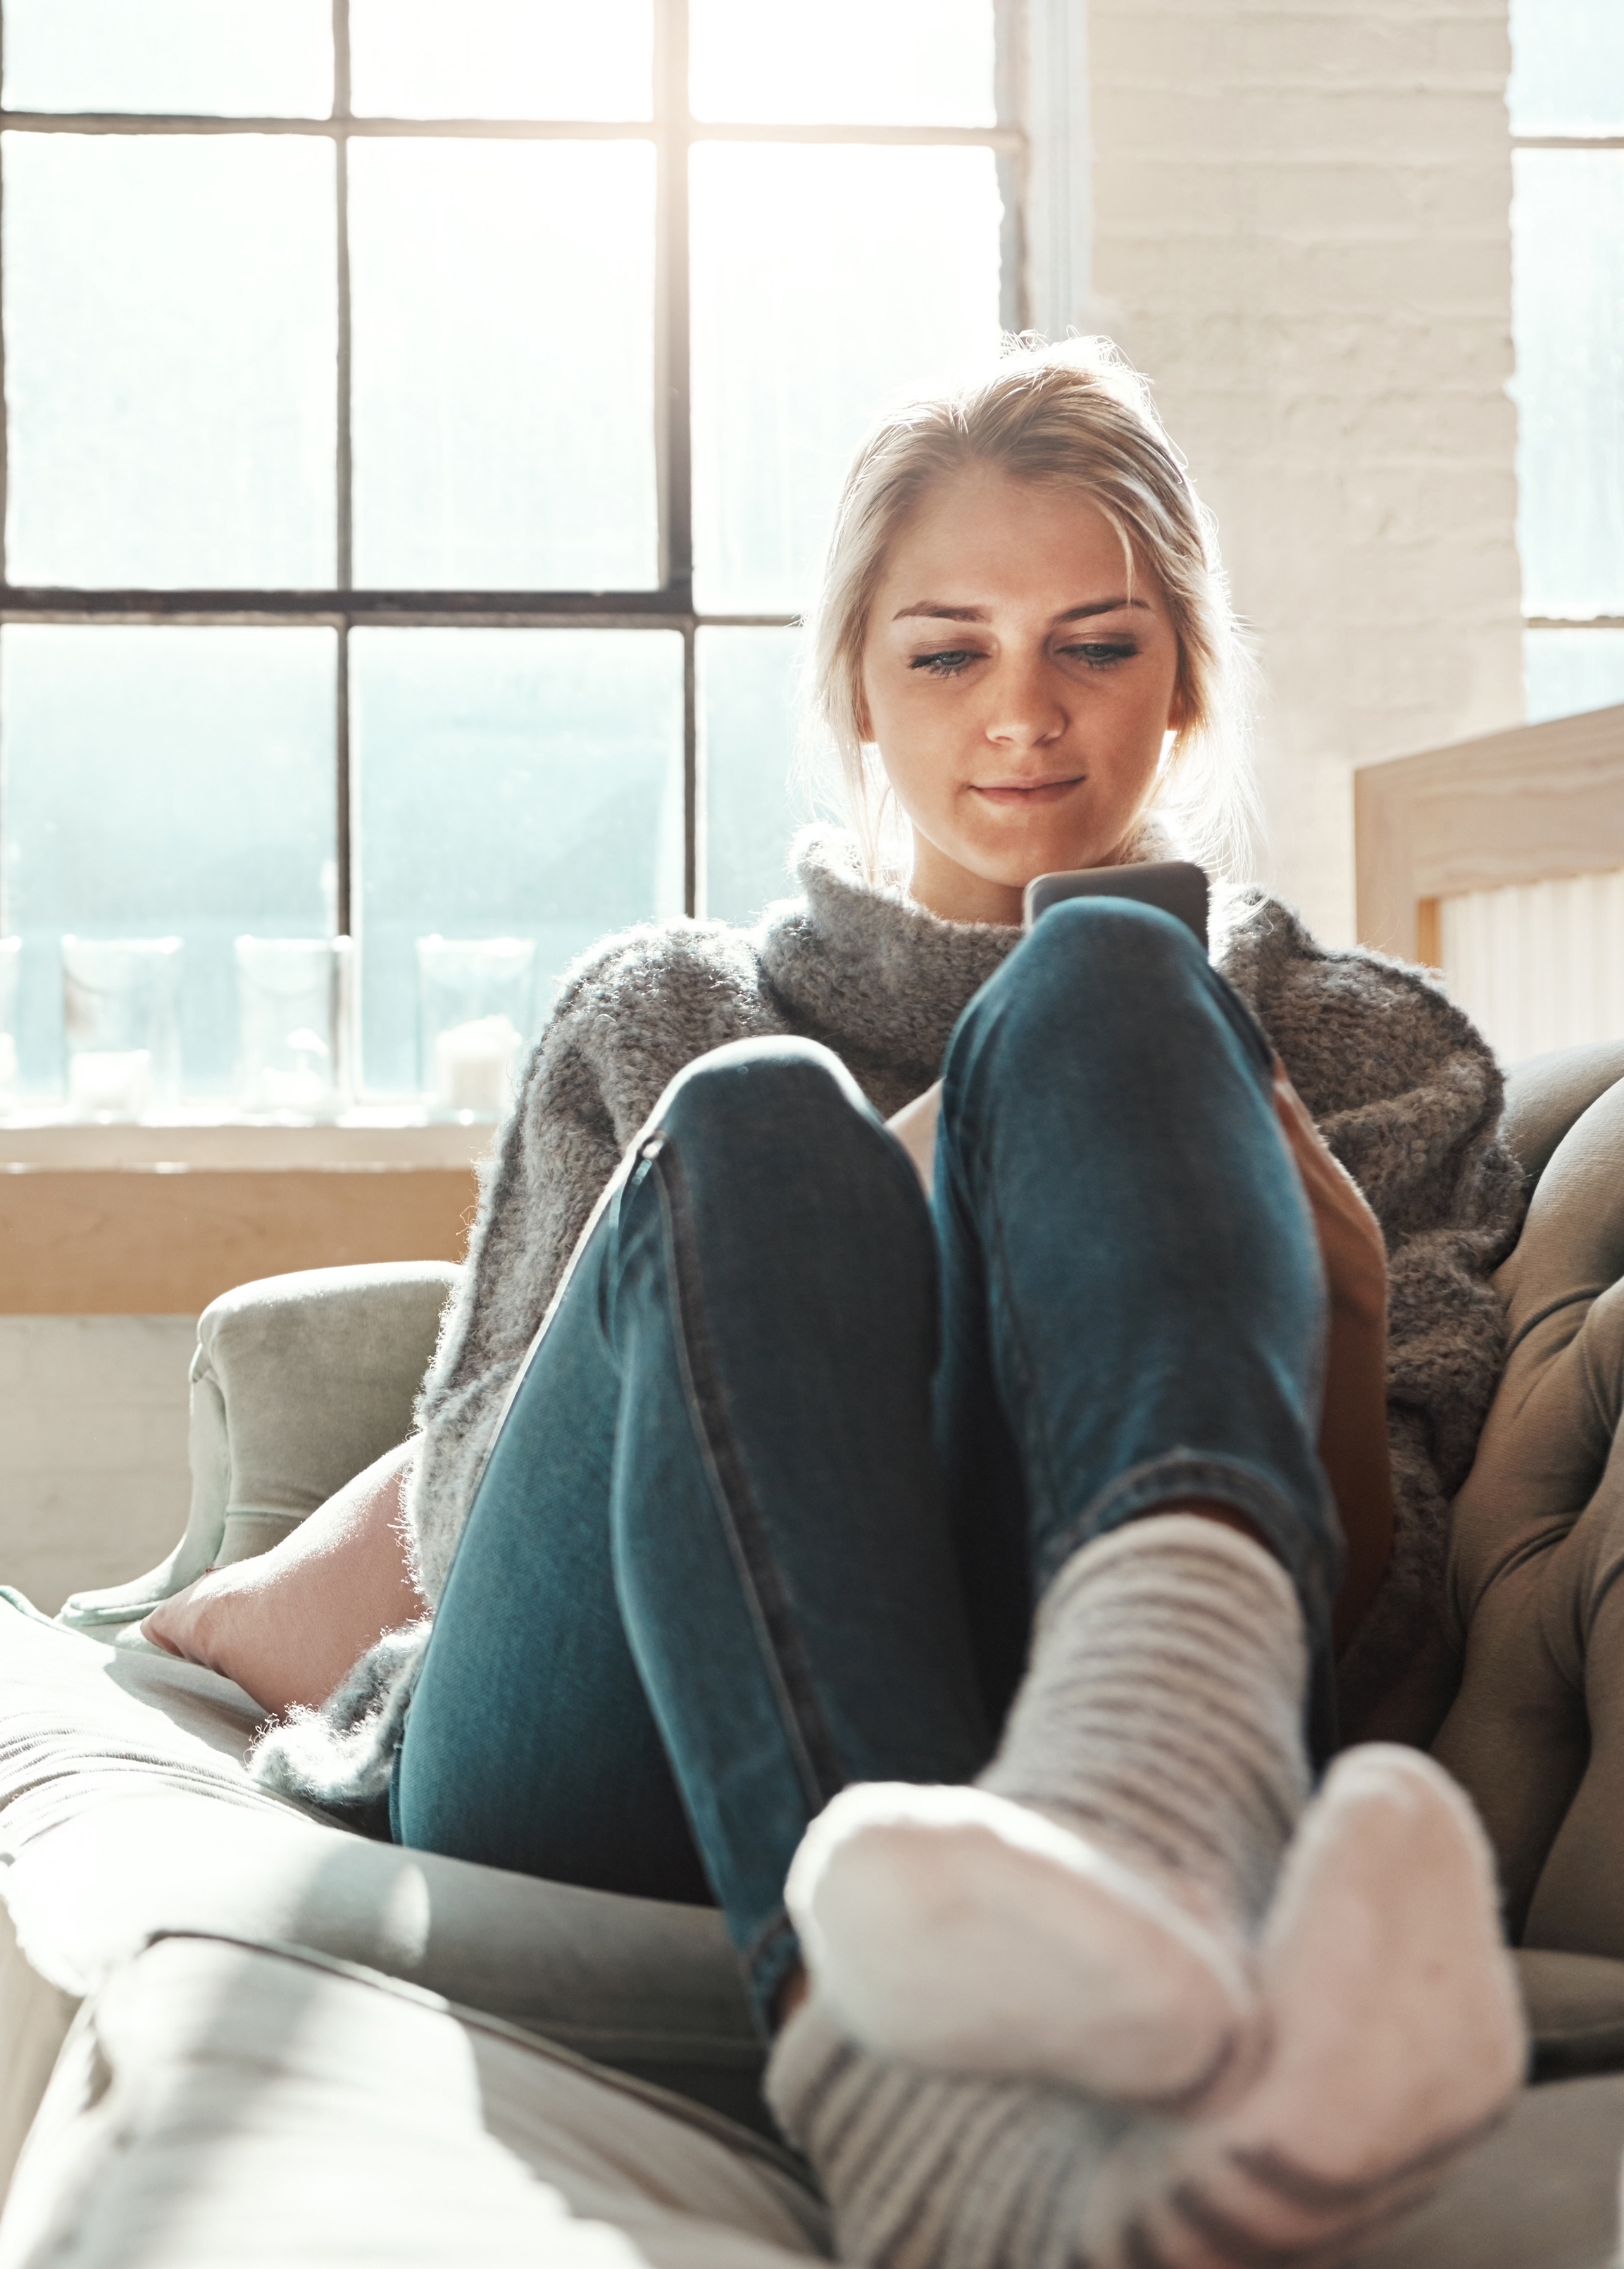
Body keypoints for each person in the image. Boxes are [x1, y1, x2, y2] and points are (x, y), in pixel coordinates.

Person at [253, 337, 1530, 2268]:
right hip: (594, 1744)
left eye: (1092, 644)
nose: (1022, 713)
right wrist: (916, 1187)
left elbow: (1381, 1628)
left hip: (1091, 1716)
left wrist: (1333, 1311)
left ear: (1180, 667)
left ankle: (1090, 1891)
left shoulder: (1359, 1052)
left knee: (1109, 977)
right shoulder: (663, 1008)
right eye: (947, 650)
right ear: (854, 679)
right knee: (763, 1125)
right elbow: (466, 1526)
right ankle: (987, 2000)